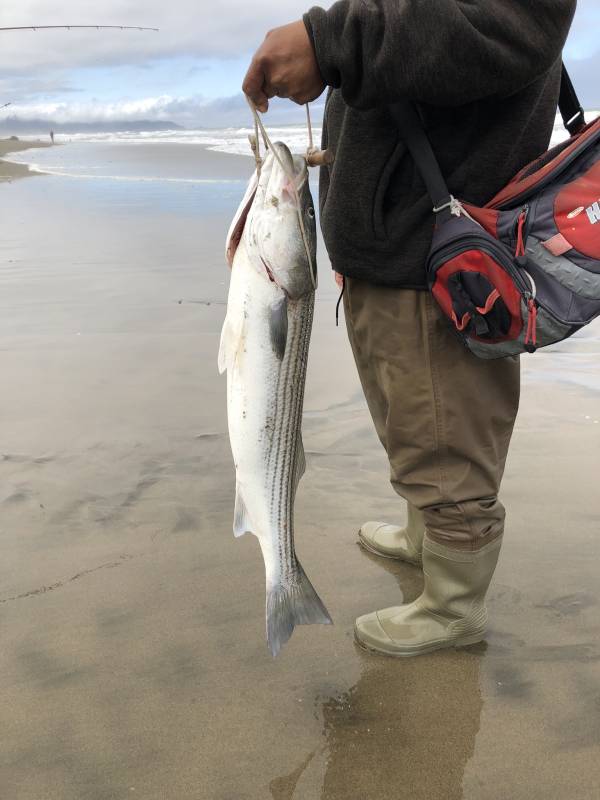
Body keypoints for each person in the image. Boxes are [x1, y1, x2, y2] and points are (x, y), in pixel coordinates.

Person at [243, 0, 577, 657]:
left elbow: (504, 27)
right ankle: (428, 534)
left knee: (445, 433)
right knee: (409, 418)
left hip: (441, 254)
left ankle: (454, 606)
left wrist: (331, 40)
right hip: (390, 245)